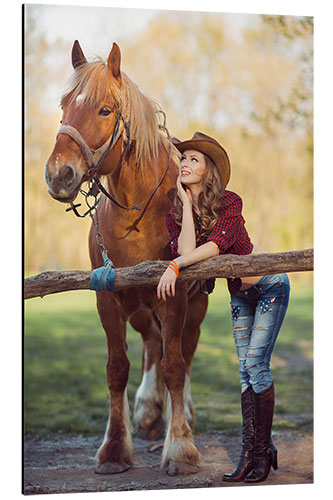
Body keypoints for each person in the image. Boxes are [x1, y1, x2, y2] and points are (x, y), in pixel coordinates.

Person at [157, 132, 290, 483]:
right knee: (245, 372)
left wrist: (174, 266)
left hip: (269, 286)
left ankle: (259, 456)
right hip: (240, 296)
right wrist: (186, 208)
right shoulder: (176, 215)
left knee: (256, 367)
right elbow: (187, 254)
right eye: (182, 159)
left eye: (193, 159)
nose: (184, 163)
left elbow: (214, 247)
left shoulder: (230, 202)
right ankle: (253, 454)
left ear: (208, 169)